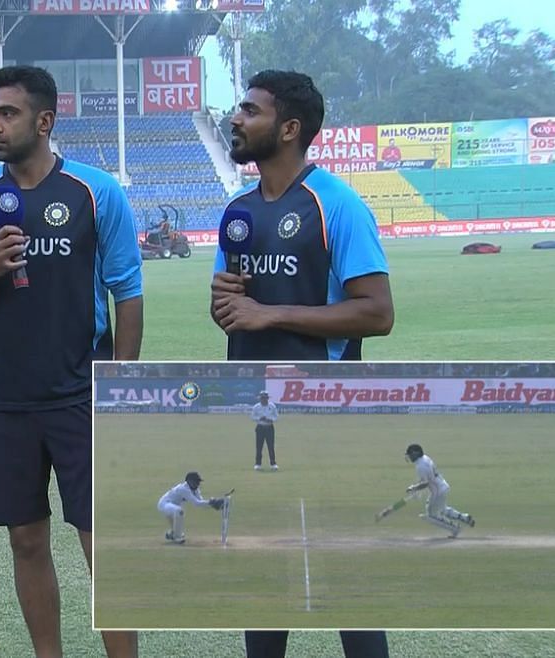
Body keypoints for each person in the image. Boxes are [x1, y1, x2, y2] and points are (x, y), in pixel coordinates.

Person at [0, 65, 142, 658]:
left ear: (44, 121)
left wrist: (120, 388)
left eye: (8, 114)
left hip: (82, 394)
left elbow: (126, 293)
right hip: (5, 398)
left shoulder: (96, 192)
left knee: (104, 545)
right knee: (25, 540)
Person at [209, 70, 395, 658]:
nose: (234, 119)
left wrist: (272, 314)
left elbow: (377, 313)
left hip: (327, 414)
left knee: (342, 571)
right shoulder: (238, 211)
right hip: (257, 412)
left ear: (289, 129)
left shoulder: (335, 205)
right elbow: (234, 313)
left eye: (250, 110)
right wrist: (228, 306)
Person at [404, 444, 475, 537]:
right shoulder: (425, 458)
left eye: (410, 454)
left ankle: (454, 528)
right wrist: (417, 488)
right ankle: (464, 518)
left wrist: (413, 488)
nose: (409, 457)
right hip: (442, 486)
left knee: (431, 515)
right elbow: (427, 478)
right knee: (441, 509)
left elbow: (426, 483)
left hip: (437, 491)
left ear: (415, 453)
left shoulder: (420, 466)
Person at [157, 471, 226, 544]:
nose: (198, 484)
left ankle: (172, 534)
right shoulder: (183, 489)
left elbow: (201, 501)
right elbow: (197, 503)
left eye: (198, 481)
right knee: (179, 511)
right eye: (196, 481)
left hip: (173, 506)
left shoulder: (195, 489)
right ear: (189, 481)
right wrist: (212, 503)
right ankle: (177, 537)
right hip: (164, 504)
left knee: (179, 512)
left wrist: (212, 504)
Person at [250, 390, 278, 471]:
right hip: (260, 427)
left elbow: (276, 416)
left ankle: (273, 463)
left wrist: (270, 419)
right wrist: (259, 418)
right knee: (259, 446)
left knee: (271, 446)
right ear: (260, 399)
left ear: (267, 399)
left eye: (265, 398)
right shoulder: (256, 407)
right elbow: (252, 417)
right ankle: (258, 464)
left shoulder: (272, 406)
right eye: (262, 398)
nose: (263, 400)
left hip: (269, 428)